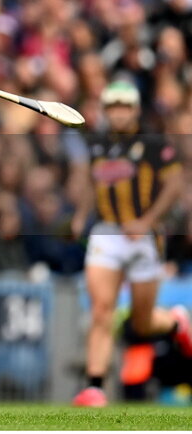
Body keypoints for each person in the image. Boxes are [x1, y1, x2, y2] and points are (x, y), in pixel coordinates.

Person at [70, 81, 192, 407]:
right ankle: (95, 386)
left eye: (125, 106)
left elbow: (174, 184)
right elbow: (90, 185)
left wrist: (148, 221)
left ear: (135, 110)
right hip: (108, 232)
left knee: (142, 321)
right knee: (102, 310)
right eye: (114, 107)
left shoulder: (152, 144)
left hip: (143, 238)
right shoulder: (97, 144)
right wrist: (81, 215)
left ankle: (177, 322)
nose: (119, 113)